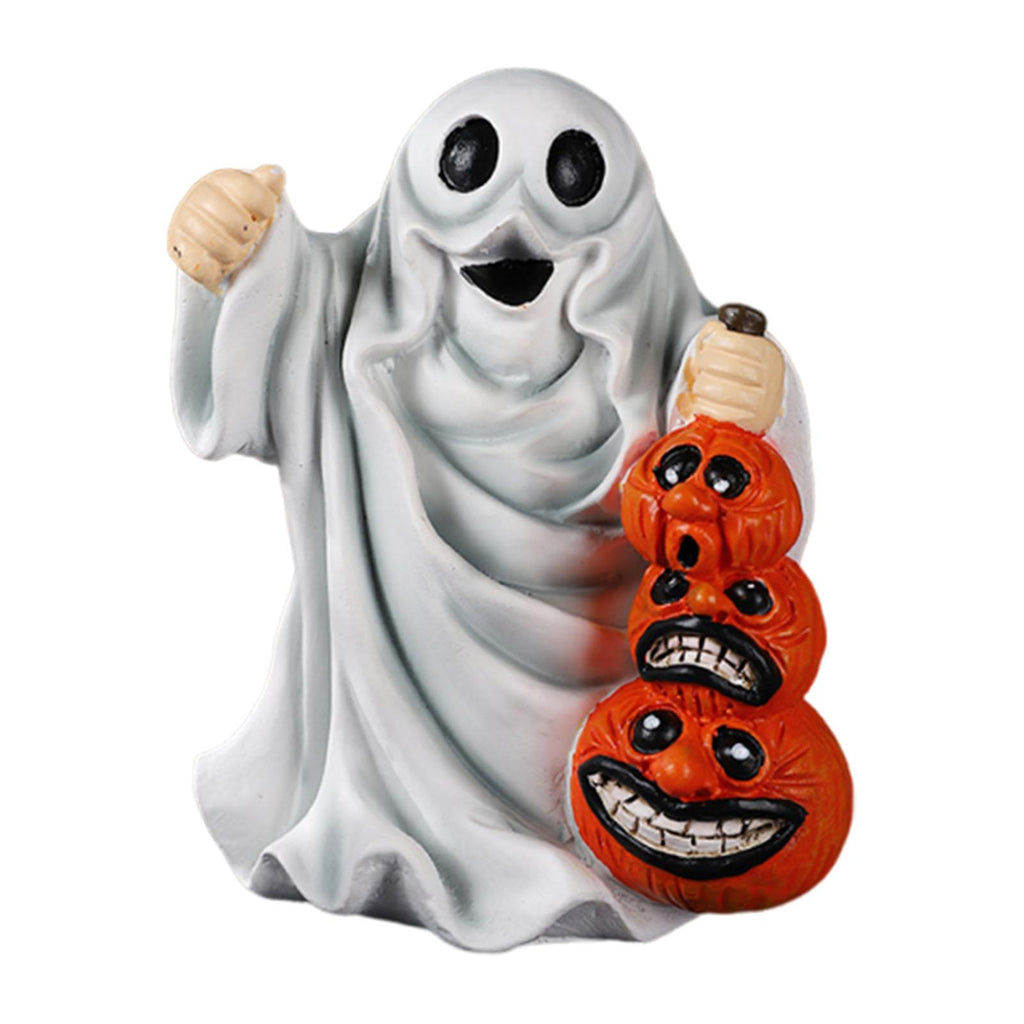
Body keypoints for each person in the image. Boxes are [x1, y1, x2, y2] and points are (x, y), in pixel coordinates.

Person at [169, 68, 810, 949]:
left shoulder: (663, 353)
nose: (515, 221)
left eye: (570, 179)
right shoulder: (361, 324)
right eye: (469, 167)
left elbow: (740, 508)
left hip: (618, 722)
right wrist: (236, 252)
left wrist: (748, 398)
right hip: (388, 724)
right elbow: (274, 334)